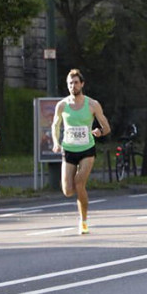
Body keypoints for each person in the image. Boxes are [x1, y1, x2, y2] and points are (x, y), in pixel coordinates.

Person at [51, 69, 111, 234]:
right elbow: (55, 125)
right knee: (68, 190)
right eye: (70, 83)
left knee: (79, 183)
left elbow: (106, 127)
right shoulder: (62, 105)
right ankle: (81, 211)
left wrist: (99, 131)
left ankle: (83, 221)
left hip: (87, 150)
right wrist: (56, 142)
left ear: (82, 84)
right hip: (69, 149)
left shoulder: (92, 104)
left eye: (76, 82)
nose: (73, 85)